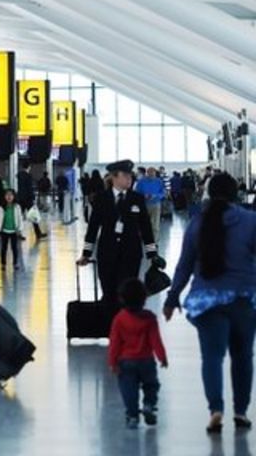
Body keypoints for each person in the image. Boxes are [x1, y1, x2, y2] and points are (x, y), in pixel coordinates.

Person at [164, 173, 256, 434]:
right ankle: (241, 411)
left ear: (207, 192)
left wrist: (172, 299)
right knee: (243, 356)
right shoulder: (250, 221)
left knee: (212, 357)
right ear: (235, 194)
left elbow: (184, 265)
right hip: (243, 298)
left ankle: (216, 409)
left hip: (207, 301)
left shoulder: (197, 223)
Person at [77, 160, 162, 305]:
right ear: (114, 177)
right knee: (109, 294)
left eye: (131, 176)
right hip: (107, 253)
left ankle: (125, 326)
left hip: (131, 254)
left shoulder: (137, 199)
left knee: (128, 296)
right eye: (125, 176)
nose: (130, 179)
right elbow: (93, 228)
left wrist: (152, 254)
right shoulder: (101, 199)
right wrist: (86, 253)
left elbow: (146, 228)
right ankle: (110, 326)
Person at [109, 278, 167, 429]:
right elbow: (156, 340)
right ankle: (148, 405)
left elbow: (115, 343)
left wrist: (112, 362)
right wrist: (162, 357)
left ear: (122, 299)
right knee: (151, 385)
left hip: (126, 361)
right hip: (146, 360)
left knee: (128, 388)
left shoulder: (119, 319)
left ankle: (132, 415)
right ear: (144, 298)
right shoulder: (149, 318)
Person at [0, 189, 23, 271]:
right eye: (7, 195)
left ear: (14, 196)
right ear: (4, 197)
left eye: (11, 195)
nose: (9, 197)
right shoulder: (2, 207)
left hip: (14, 231)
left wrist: (20, 229)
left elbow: (20, 218)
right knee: (4, 248)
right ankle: (3, 264)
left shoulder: (17, 207)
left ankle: (15, 263)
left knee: (14, 248)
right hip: (4, 231)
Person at [135, 167, 165, 242]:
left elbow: (163, 192)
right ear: (147, 173)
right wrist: (144, 196)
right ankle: (145, 239)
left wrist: (156, 196)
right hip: (144, 205)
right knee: (144, 223)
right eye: (150, 172)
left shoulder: (159, 181)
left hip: (156, 204)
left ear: (155, 173)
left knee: (155, 225)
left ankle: (154, 241)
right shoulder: (141, 182)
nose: (151, 174)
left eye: (153, 172)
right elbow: (136, 193)